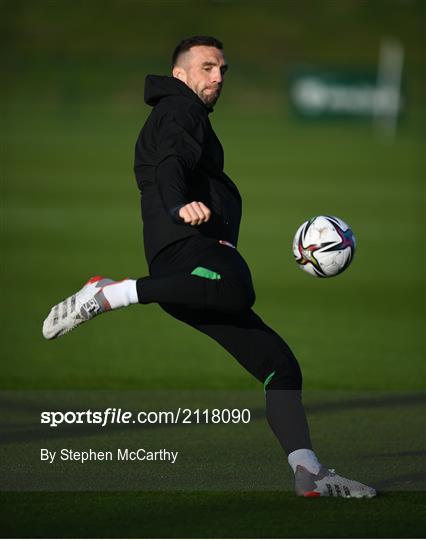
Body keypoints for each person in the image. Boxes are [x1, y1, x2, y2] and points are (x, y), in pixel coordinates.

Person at [43, 35, 376, 498]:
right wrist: (180, 205)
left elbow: (173, 160)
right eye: (207, 67)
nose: (218, 76)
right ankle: (111, 293)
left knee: (280, 366)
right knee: (237, 285)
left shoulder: (180, 112)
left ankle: (308, 471)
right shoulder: (180, 109)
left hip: (191, 282)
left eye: (223, 69)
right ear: (180, 74)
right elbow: (170, 163)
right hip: (189, 253)